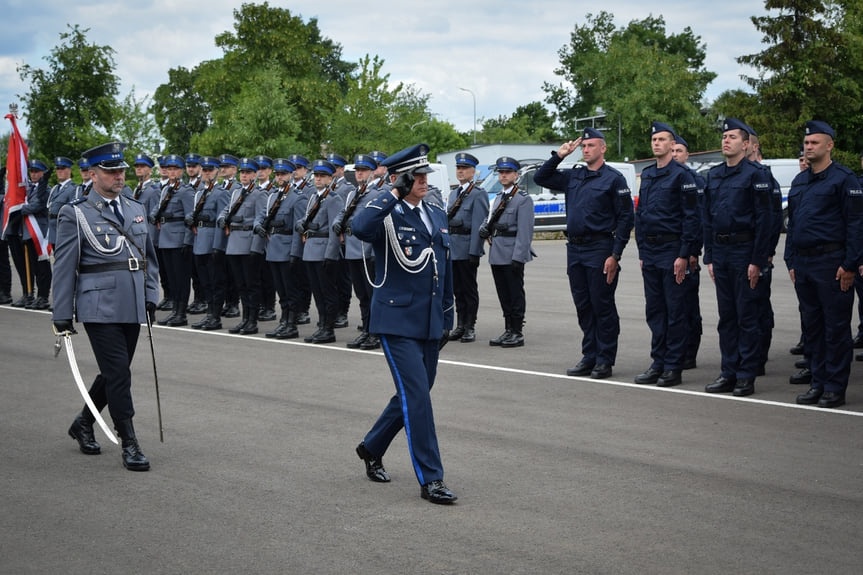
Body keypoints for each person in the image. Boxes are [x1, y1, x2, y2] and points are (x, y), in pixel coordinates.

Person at [351, 143, 457, 505]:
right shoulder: (385, 213)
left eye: (426, 174)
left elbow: (445, 267)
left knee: (417, 393)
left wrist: (447, 313)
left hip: (428, 320)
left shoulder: (436, 212)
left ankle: (372, 446)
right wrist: (393, 190)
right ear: (403, 177)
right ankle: (432, 479)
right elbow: (359, 227)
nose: (425, 180)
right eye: (418, 175)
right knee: (418, 399)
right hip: (396, 321)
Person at [52, 141, 159, 471]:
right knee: (119, 375)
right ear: (93, 174)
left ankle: (83, 422)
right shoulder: (76, 213)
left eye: (121, 170)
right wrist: (61, 313)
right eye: (111, 171)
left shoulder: (135, 207)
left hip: (132, 302)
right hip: (97, 304)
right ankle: (129, 441)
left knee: (116, 372)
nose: (118, 176)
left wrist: (152, 295)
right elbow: (65, 265)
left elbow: (149, 259)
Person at [533, 128, 634, 379]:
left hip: (600, 248)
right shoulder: (573, 176)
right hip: (575, 249)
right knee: (583, 306)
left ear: (603, 148)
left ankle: (604, 359)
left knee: (602, 305)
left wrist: (615, 254)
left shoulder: (613, 179)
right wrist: (560, 155)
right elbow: (541, 178)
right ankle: (590, 355)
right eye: (583, 146)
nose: (586, 149)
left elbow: (625, 218)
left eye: (591, 145)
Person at [784, 121, 863, 408]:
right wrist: (790, 259)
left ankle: (834, 387)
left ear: (829, 145)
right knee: (812, 327)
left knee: (836, 329)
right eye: (806, 143)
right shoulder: (800, 181)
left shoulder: (844, 179)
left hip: (832, 263)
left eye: (814, 143)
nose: (808, 147)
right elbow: (794, 226)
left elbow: (856, 225)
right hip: (804, 263)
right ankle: (817, 382)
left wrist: (850, 264)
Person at [702, 118, 773, 397]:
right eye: (724, 136)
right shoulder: (715, 175)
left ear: (746, 144)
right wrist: (709, 255)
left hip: (745, 252)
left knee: (747, 316)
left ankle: (746, 375)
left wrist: (757, 260)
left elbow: (766, 220)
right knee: (727, 317)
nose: (726, 140)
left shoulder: (756, 174)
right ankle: (728, 372)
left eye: (732, 137)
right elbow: (707, 218)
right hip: (721, 253)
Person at [633, 122, 699, 387]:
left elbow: (691, 218)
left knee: (675, 311)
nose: (656, 143)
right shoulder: (648, 175)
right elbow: (641, 215)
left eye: (662, 139)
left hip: (672, 250)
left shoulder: (683, 175)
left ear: (673, 145)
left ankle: (673, 366)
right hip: (650, 251)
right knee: (655, 311)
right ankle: (657, 362)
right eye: (654, 139)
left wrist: (684, 254)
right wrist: (641, 250)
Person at [481, 157, 534, 348]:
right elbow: (490, 221)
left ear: (516, 176)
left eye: (507, 172)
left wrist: (519, 257)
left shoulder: (523, 200)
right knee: (503, 294)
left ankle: (517, 331)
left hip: (512, 253)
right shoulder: (497, 198)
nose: (503, 175)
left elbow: (525, 231)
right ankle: (508, 329)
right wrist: (484, 229)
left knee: (515, 293)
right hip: (497, 253)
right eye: (501, 172)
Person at [333, 154, 381, 349]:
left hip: (367, 249)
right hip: (352, 249)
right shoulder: (353, 193)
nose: (359, 174)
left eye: (363, 171)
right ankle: (366, 330)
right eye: (358, 171)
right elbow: (341, 213)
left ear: (371, 172)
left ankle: (375, 333)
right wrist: (337, 223)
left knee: (372, 295)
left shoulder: (378, 193)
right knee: (361, 294)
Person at [295, 159, 344, 344]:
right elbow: (305, 220)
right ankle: (322, 324)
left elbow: (334, 229)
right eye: (316, 176)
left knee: (327, 292)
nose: (318, 179)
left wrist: (331, 254)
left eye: (322, 176)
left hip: (323, 250)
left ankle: (328, 329)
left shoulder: (333, 199)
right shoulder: (314, 198)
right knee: (317, 292)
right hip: (310, 250)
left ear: (331, 178)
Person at [218, 157, 265, 335]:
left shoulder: (259, 194)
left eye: (248, 173)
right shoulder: (236, 192)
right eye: (242, 172)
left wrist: (256, 248)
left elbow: (260, 220)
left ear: (254, 174)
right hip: (234, 243)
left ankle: (252, 320)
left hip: (248, 243)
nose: (244, 175)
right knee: (240, 285)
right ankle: (244, 319)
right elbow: (225, 211)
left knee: (251, 284)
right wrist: (222, 219)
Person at [670, 135, 705, 370]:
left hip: (689, 254)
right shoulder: (663, 178)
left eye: (679, 151)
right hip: (670, 252)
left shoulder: (696, 181)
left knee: (689, 306)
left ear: (687, 155)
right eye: (672, 151)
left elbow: (698, 219)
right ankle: (675, 350)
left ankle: (690, 352)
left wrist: (693, 251)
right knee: (672, 307)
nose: (675, 155)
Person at [447, 152, 489, 343]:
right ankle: (460, 324)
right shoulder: (453, 193)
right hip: (453, 249)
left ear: (473, 172)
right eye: (458, 168)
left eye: (464, 168)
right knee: (457, 290)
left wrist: (474, 251)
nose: (460, 171)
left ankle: (470, 325)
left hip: (466, 249)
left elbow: (479, 225)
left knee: (469, 289)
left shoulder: (477, 195)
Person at [150, 154, 194, 327]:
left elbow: (190, 217)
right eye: (169, 169)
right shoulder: (165, 190)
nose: (172, 172)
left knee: (181, 279)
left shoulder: (186, 191)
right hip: (165, 239)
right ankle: (175, 310)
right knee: (172, 278)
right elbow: (155, 210)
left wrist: (187, 241)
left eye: (175, 169)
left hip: (179, 240)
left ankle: (181, 313)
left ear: (181, 171)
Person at [46, 156, 77, 248]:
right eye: (58, 169)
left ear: (69, 171)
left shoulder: (73, 189)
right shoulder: (55, 189)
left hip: (63, 232)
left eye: (62, 168)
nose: (59, 171)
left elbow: (71, 213)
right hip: (53, 230)